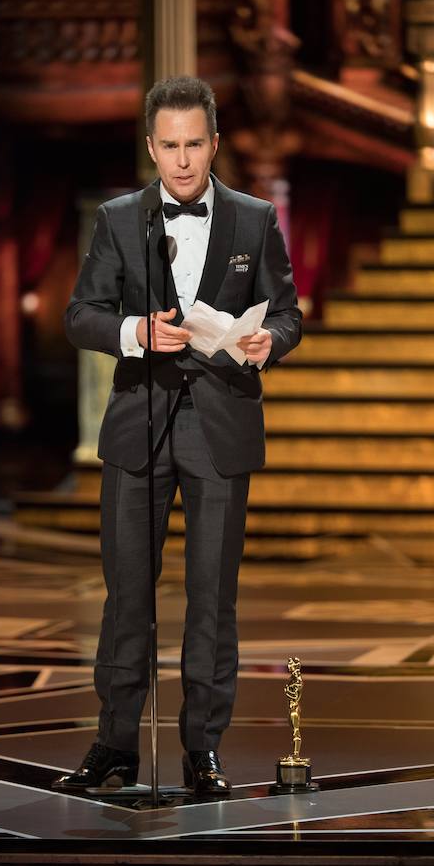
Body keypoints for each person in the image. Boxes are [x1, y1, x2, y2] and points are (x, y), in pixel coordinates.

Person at [53, 75, 301, 796]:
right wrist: (135, 331)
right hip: (139, 424)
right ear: (152, 147)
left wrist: (268, 343)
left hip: (220, 425)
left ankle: (204, 750)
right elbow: (80, 315)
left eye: (195, 145)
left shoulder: (255, 220)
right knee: (126, 593)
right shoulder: (121, 218)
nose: (184, 161)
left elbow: (287, 313)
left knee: (211, 596)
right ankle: (116, 744)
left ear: (215, 143)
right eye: (170, 147)